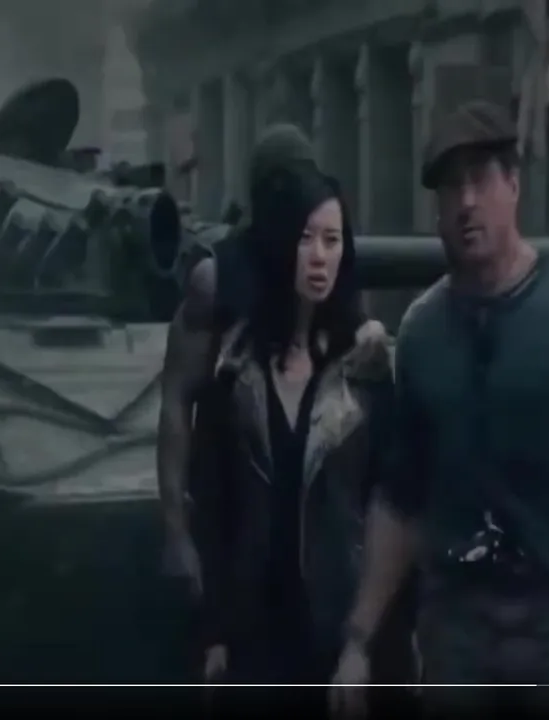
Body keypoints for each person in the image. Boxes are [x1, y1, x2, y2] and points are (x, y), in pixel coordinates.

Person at [330, 100, 549, 719]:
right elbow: (400, 498)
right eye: (451, 188)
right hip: (457, 636)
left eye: (479, 180)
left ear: (513, 185)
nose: (466, 202)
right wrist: (358, 640)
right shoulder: (422, 332)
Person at [194, 162, 416, 702]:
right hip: (256, 640)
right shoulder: (234, 368)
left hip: (342, 639)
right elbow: (213, 504)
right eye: (305, 238)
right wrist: (214, 631)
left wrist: (374, 639)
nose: (319, 256)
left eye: (332, 240)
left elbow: (393, 505)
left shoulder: (368, 370)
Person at [157, 123, 381, 601]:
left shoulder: (326, 277)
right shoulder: (217, 282)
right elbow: (176, 400)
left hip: (312, 543)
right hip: (232, 522)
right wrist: (176, 532)